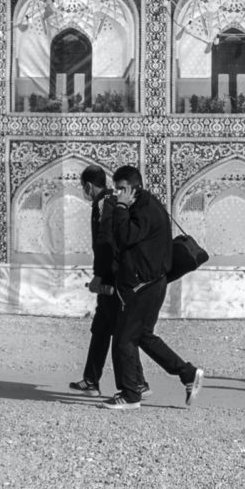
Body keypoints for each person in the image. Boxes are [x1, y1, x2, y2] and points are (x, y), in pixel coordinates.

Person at [99, 165, 204, 410]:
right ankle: (187, 374)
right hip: (149, 282)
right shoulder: (144, 205)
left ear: (136, 187)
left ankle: (130, 394)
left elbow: (125, 237)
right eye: (116, 189)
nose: (119, 194)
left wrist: (121, 208)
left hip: (144, 284)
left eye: (123, 189)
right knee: (142, 335)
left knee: (124, 339)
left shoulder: (143, 209)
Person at [69, 166, 122, 394]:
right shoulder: (113, 199)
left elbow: (106, 242)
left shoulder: (103, 203)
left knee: (123, 332)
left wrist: (99, 276)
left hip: (112, 276)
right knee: (101, 328)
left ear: (89, 186)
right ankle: (91, 379)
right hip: (113, 273)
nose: (85, 192)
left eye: (84, 188)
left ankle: (138, 382)